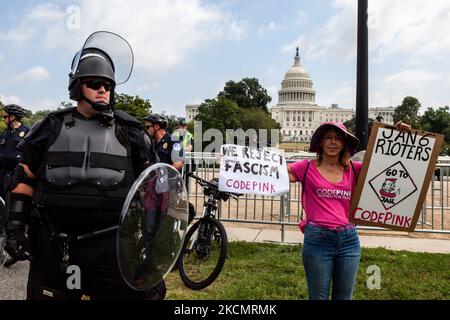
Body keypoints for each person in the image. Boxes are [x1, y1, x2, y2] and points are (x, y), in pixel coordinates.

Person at [3, 42, 163, 300]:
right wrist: (16, 230)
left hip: (111, 245)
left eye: (108, 86)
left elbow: (153, 187)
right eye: (95, 84)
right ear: (78, 87)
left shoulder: (131, 132)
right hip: (54, 243)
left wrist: (153, 236)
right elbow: (23, 179)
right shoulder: (49, 127)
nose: (103, 90)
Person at [287, 121, 410, 300]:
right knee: (318, 297)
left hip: (349, 240)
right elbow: (274, 174)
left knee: (344, 297)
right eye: (328, 137)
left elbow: (389, 169)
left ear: (344, 143)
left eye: (338, 138)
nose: (333, 142)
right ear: (321, 142)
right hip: (317, 239)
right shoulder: (305, 167)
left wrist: (400, 137)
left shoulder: (354, 169)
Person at [0, 104, 29, 199]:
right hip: (2, 174)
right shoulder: (5, 133)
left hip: (16, 175)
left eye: (5, 116)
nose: (3, 119)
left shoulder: (27, 132)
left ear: (12, 117)